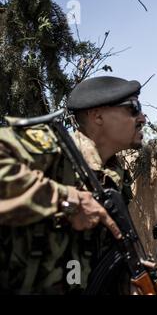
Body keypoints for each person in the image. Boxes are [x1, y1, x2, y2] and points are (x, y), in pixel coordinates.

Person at [0, 76, 147, 294]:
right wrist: (68, 201)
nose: (143, 118)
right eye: (134, 108)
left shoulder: (114, 176)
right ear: (97, 116)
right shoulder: (53, 150)